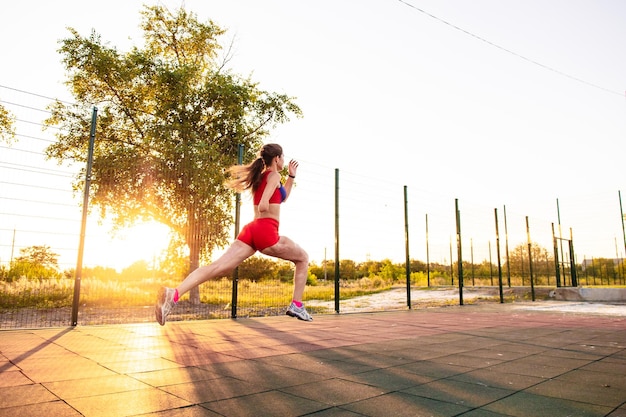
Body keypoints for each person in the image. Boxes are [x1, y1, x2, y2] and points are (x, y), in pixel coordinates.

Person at [155, 143, 312, 325]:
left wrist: (291, 176)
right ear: (276, 159)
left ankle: (173, 294)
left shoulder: (262, 177)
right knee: (303, 258)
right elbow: (263, 204)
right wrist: (264, 205)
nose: (284, 160)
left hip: (252, 230)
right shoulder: (275, 175)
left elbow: (282, 197)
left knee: (218, 266)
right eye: (283, 157)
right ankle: (296, 304)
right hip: (266, 231)